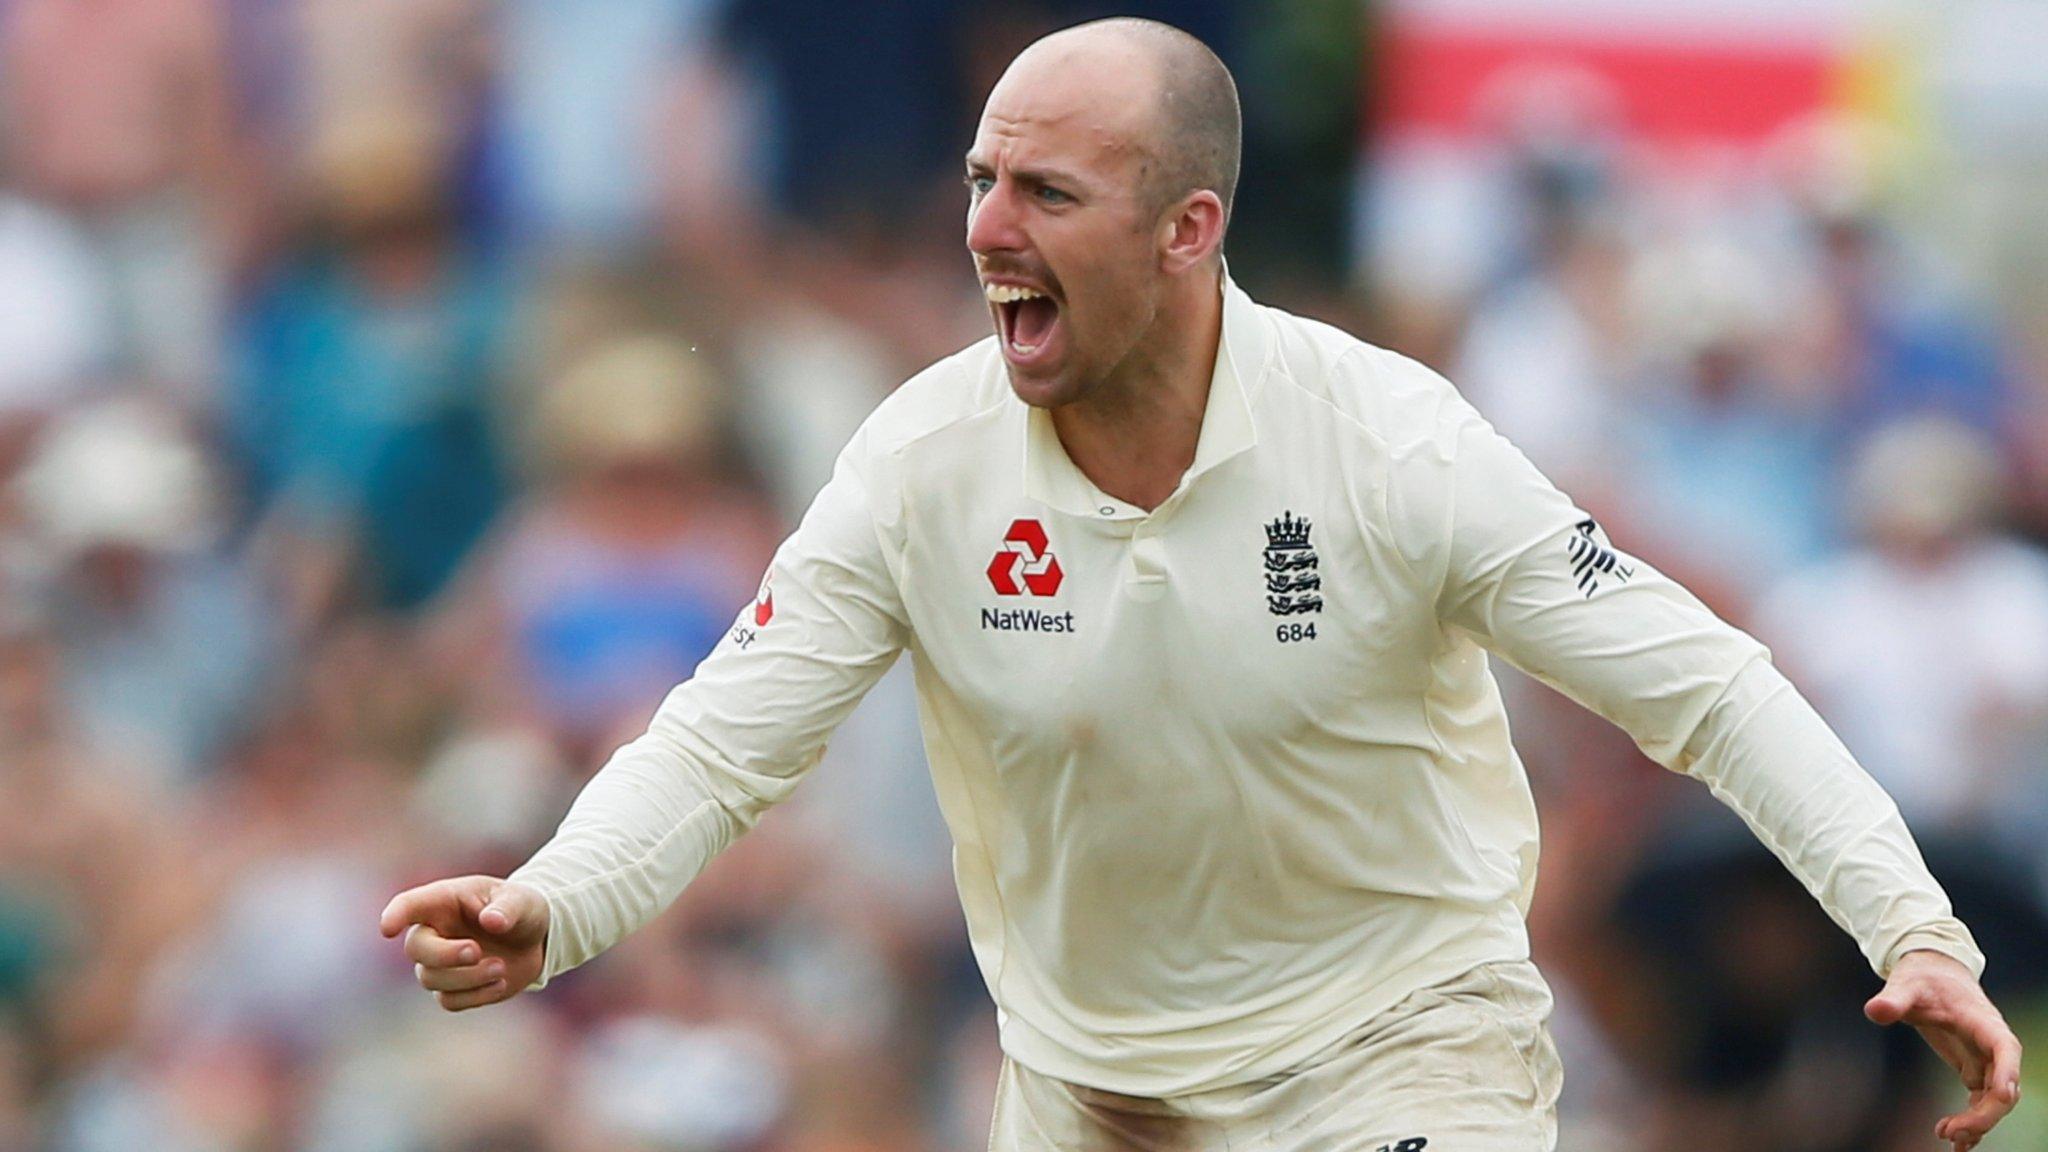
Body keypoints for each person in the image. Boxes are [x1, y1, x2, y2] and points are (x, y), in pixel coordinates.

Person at [381, 18, 2021, 1151]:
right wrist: (560, 900)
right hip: (1096, 1096)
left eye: (1045, 194)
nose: (985, 230)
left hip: (1401, 1053)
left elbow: (1704, 686)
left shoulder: (1388, 443)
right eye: (978, 180)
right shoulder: (919, 462)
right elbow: (723, 739)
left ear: (1189, 230)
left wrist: (1912, 923)